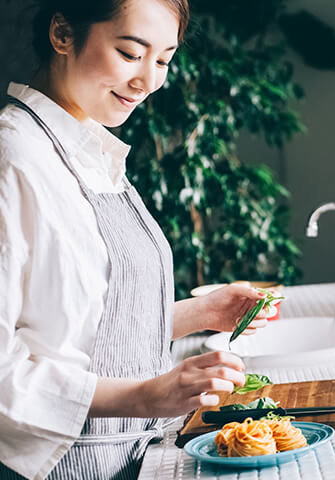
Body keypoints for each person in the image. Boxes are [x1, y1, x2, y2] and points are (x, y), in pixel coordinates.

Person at [0, 0, 272, 478]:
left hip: (128, 457)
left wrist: (200, 314)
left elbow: (78, 327)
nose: (149, 81)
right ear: (62, 34)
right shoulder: (14, 158)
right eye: (130, 53)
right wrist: (144, 396)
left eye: (164, 60)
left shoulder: (88, 150)